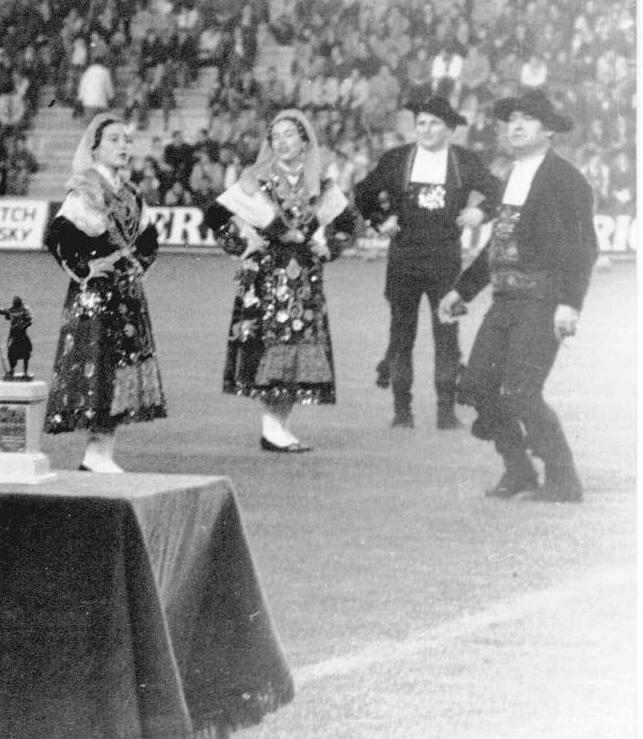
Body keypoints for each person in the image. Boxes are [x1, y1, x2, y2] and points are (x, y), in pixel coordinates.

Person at [438, 89, 598, 503]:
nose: (517, 126)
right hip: (505, 302)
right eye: (511, 120)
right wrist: (461, 290)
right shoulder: (510, 176)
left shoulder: (566, 179)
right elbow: (498, 242)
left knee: (522, 391)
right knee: (478, 386)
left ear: (547, 129)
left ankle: (564, 480)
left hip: (543, 302)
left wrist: (570, 303)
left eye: (527, 119)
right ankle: (519, 471)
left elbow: (584, 247)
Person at [202, 108, 354, 453]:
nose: (282, 142)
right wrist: (244, 243)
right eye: (275, 137)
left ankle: (279, 427)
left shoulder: (320, 184)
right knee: (273, 347)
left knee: (296, 350)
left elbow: (348, 223)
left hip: (304, 279)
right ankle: (272, 429)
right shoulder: (257, 180)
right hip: (266, 279)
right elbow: (215, 214)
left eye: (289, 135)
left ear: (304, 140)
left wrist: (326, 246)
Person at [353, 96, 502, 429]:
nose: (427, 129)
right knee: (401, 334)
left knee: (447, 335)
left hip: (445, 259)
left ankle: (446, 413)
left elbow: (500, 192)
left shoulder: (464, 160)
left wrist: (482, 211)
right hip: (404, 258)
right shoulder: (396, 159)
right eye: (421, 123)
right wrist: (380, 220)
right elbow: (362, 192)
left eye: (434, 124)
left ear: (449, 129)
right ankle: (402, 413)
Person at [44, 113, 166, 473]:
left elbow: (149, 239)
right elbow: (58, 236)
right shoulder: (85, 190)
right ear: (94, 147)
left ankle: (101, 454)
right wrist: (85, 270)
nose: (123, 147)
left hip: (125, 296)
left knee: (120, 367)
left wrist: (137, 267)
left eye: (126, 140)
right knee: (102, 368)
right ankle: (96, 455)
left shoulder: (130, 194)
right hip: (97, 299)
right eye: (114, 140)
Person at [0, 295, 34, 380]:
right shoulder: (11, 310)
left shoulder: (25, 310)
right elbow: (2, 311)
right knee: (11, 353)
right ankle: (12, 370)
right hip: (14, 334)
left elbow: (29, 321)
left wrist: (23, 326)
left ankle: (25, 372)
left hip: (22, 334)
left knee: (26, 352)